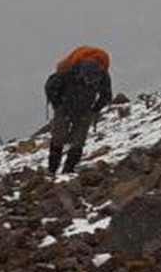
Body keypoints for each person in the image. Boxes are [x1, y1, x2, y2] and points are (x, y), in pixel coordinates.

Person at [41, 45, 115, 177]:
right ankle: (59, 170)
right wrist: (94, 109)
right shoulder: (70, 72)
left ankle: (61, 171)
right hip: (70, 109)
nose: (89, 82)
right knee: (71, 141)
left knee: (68, 141)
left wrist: (57, 104)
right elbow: (106, 95)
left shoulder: (101, 74)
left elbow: (106, 96)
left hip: (72, 109)